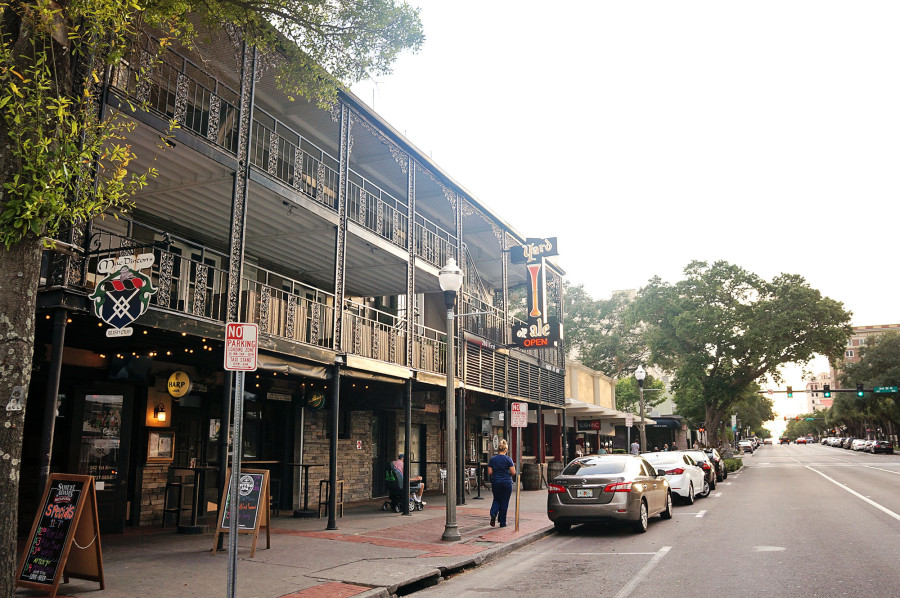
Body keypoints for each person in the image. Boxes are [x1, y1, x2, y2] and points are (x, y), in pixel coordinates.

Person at [487, 439, 516, 527]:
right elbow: (513, 472)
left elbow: (490, 472)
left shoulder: (492, 459)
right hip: (506, 482)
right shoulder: (508, 459)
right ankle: (502, 522)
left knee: (496, 499)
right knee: (504, 502)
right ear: (505, 450)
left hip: (496, 482)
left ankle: (493, 513)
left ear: (498, 449)